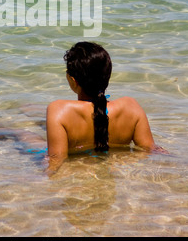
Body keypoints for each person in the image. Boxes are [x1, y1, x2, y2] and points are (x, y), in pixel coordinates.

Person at [46, 41, 166, 174]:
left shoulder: (59, 111)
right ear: (107, 76)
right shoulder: (131, 107)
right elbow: (151, 149)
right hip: (116, 174)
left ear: (72, 80)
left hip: (80, 178)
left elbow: (56, 161)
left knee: (26, 137)